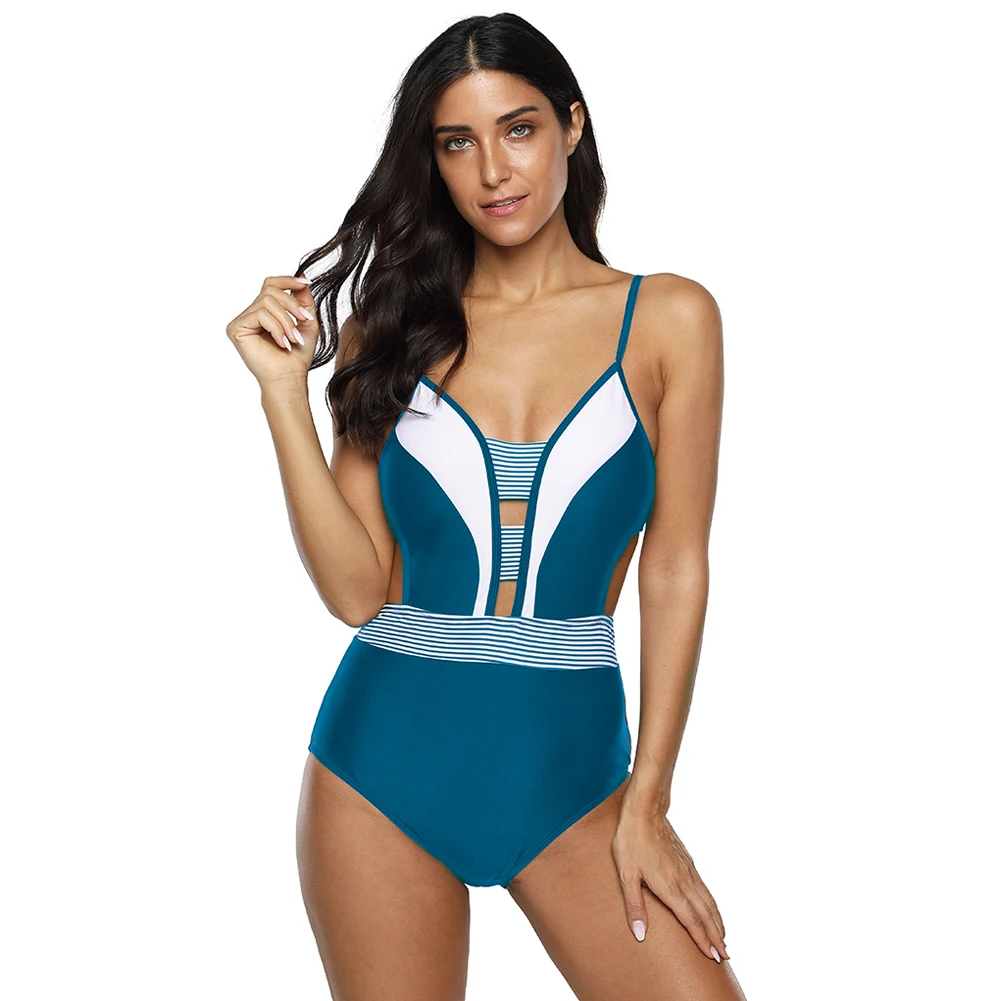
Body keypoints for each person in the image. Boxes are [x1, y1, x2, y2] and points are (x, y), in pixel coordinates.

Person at [226, 13, 745, 1000]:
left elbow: (675, 565)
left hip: (573, 779)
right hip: (378, 771)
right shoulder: (392, 326)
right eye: (456, 142)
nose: (493, 171)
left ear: (571, 127)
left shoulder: (669, 318)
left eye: (518, 129)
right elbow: (356, 591)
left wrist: (648, 798)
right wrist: (283, 395)